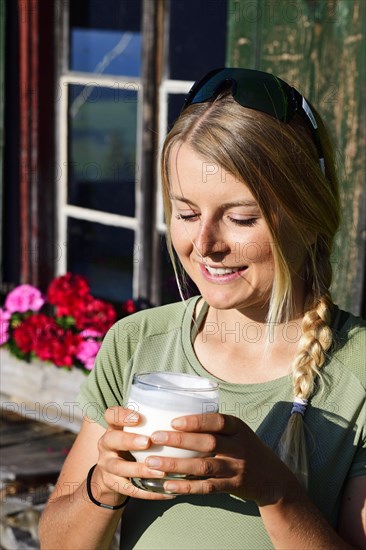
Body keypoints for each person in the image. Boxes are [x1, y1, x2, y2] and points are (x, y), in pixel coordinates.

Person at [39, 68, 365, 549]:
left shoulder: (356, 371)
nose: (204, 244)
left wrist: (276, 493)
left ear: (310, 215)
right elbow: (57, 543)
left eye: (240, 218)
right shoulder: (134, 343)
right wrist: (103, 484)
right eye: (186, 213)